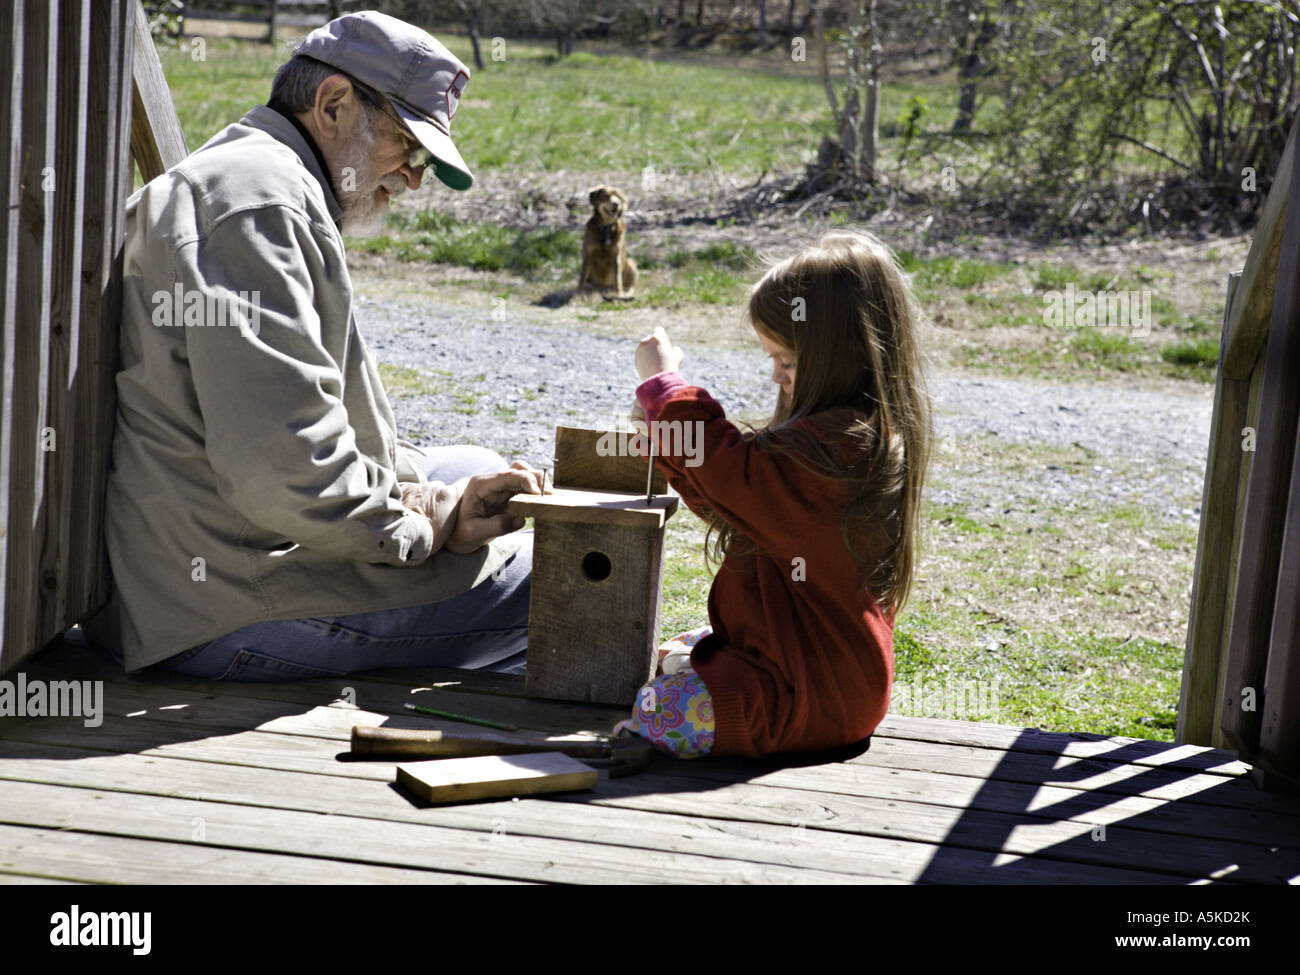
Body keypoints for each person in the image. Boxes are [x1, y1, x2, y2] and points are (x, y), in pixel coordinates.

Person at [82, 12, 546, 681]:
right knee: (557, 583)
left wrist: (430, 496)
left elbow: (291, 440)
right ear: (333, 104)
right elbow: (283, 470)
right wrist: (425, 527)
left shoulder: (253, 175)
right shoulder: (261, 208)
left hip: (201, 553)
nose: (413, 178)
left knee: (471, 462)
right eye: (408, 147)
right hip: (218, 606)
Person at [614, 230, 932, 757]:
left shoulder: (840, 452)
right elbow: (737, 502)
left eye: (785, 362)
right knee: (682, 649)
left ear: (837, 357)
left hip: (808, 696)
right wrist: (662, 435)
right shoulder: (843, 440)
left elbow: (734, 475)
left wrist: (666, 387)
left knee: (657, 705)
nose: (777, 377)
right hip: (825, 678)